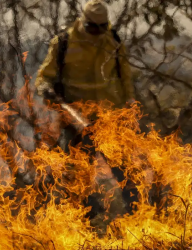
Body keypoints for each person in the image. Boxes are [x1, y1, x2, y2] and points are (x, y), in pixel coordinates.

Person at [34, 0, 138, 236]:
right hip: (76, 122)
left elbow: (125, 75)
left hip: (110, 119)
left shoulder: (112, 40)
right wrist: (47, 89)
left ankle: (139, 219)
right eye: (93, 27)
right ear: (84, 22)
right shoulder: (64, 43)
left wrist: (130, 106)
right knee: (80, 176)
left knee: (124, 172)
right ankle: (89, 225)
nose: (97, 32)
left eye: (102, 27)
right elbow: (44, 76)